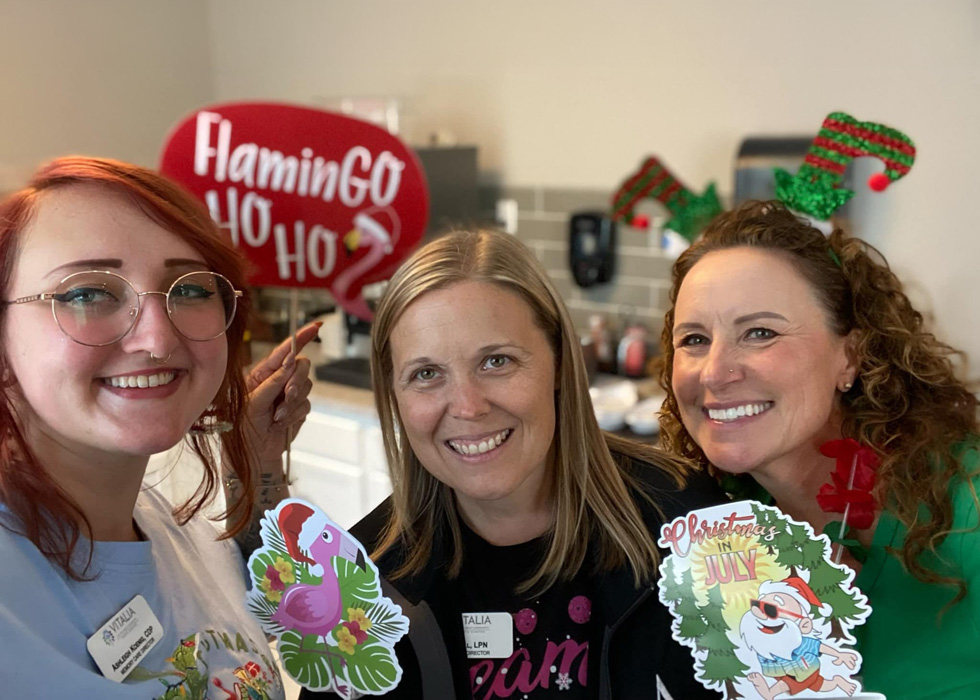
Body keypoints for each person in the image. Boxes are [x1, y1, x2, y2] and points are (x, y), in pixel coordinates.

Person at [301, 229, 726, 700]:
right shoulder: (362, 586)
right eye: (426, 374)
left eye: (496, 361)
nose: (467, 406)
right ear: (394, 397)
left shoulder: (690, 530)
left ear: (560, 363)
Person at [0, 156, 314, 699]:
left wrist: (257, 462)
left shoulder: (173, 528)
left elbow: (313, 637)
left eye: (189, 290)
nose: (158, 340)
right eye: (86, 293)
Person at [659, 200, 980, 700]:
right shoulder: (705, 529)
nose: (715, 373)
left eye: (760, 332)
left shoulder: (969, 511)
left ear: (850, 355)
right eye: (694, 339)